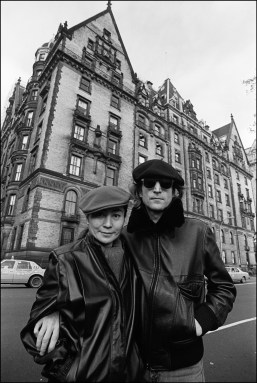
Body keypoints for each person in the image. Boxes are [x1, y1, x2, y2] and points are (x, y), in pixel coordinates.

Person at [31, 159, 237, 382]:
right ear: (139, 190)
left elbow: (224, 287)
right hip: (134, 365)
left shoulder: (199, 232)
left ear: (175, 192)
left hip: (183, 366)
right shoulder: (124, 236)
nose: (157, 189)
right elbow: (82, 261)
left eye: (166, 184)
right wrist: (54, 310)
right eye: (149, 183)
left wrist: (201, 321)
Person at [20, 185, 143, 382]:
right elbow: (34, 336)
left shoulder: (135, 258)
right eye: (99, 215)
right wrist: (69, 368)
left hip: (129, 374)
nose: (108, 224)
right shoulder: (64, 260)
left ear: (124, 219)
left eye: (116, 216)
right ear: (88, 217)